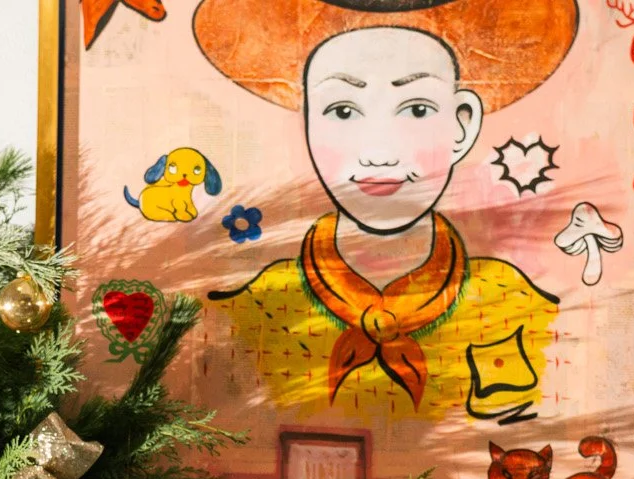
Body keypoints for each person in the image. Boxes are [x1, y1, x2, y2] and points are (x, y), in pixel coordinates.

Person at [193, 0, 576, 421]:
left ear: (462, 124)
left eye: (416, 110)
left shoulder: (508, 305)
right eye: (342, 111)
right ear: (307, 123)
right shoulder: (255, 309)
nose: (378, 154)